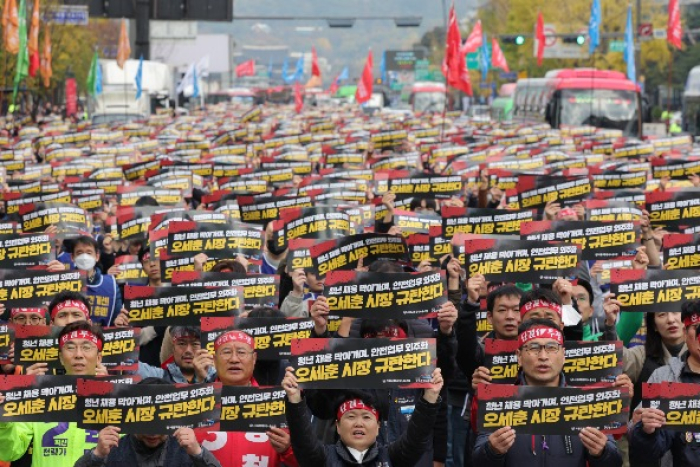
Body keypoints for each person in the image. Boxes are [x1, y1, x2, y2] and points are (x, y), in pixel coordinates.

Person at [472, 319, 623, 467]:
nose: (543, 356)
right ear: (519, 356)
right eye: (534, 348)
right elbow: (477, 461)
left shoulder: (588, 400)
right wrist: (492, 450)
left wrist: (602, 452)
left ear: (563, 355)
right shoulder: (498, 401)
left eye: (551, 347)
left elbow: (615, 461)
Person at [282, 366, 444, 467]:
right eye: (351, 416)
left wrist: (430, 398)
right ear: (337, 426)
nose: (358, 423)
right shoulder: (323, 458)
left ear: (378, 425)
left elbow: (416, 438)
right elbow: (303, 442)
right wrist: (294, 399)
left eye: (366, 417)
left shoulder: (391, 457)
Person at [0, 322, 106, 467]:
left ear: (99, 358)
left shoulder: (118, 399)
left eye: (86, 347)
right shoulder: (37, 395)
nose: (78, 355)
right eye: (70, 348)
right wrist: (3, 422)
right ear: (61, 358)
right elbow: (10, 452)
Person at [193, 330, 298, 467]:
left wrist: (288, 449)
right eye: (226, 352)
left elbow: (309, 460)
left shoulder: (277, 403)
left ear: (254, 359)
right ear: (214, 359)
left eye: (241, 352)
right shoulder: (193, 402)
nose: (234, 359)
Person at [73, 378, 221, 467]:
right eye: (146, 422)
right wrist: (97, 455)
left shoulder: (187, 449)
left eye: (159, 423)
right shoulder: (111, 449)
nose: (153, 433)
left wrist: (198, 454)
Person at [628, 300, 700, 467]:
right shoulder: (662, 377)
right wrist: (646, 431)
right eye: (697, 328)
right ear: (684, 331)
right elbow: (645, 451)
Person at [48, 236, 123, 326]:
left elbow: (116, 318)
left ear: (97, 256)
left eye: (89, 252)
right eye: (79, 253)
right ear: (72, 257)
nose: (84, 257)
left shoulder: (111, 284)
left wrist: (118, 322)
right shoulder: (63, 280)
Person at [137, 326, 215, 384]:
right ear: (173, 349)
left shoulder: (219, 376)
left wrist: (203, 380)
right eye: (182, 343)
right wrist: (125, 331)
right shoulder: (158, 376)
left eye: (194, 344)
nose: (188, 350)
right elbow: (127, 366)